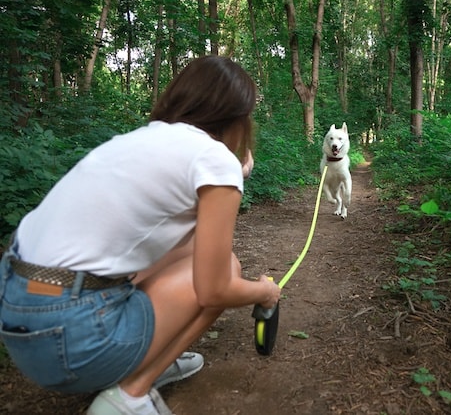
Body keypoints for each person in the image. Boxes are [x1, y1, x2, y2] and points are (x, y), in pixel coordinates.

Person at [0, 55, 281, 415]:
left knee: (191, 251)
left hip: (18, 314)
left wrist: (233, 175)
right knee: (225, 268)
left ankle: (151, 358)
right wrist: (266, 291)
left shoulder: (141, 140)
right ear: (238, 118)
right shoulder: (215, 159)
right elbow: (215, 289)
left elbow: (170, 228)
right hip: (72, 341)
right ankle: (131, 393)